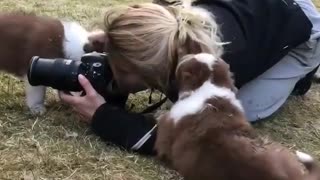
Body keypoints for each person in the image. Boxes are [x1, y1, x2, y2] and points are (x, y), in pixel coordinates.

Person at [59, 0, 320, 155]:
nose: (111, 71)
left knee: (245, 109)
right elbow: (147, 28)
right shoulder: (169, 27)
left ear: (151, 73)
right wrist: (117, 41)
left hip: (301, 27)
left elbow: (197, 141)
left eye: (118, 69)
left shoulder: (213, 70)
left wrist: (104, 116)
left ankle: (304, 71)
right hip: (255, 10)